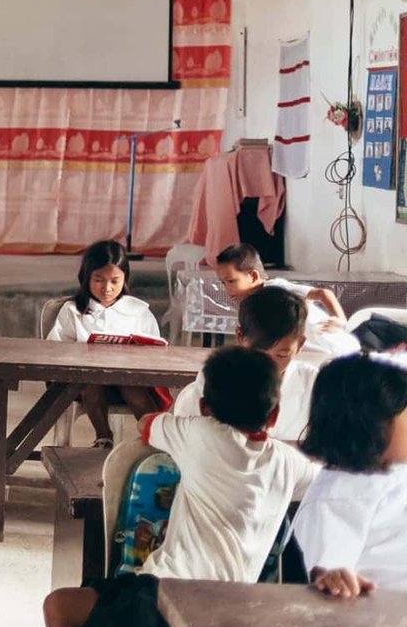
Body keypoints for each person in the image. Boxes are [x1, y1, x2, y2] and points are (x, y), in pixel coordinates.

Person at [41, 345, 316, 627]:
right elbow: (320, 480)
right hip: (231, 606)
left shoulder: (198, 435)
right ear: (275, 414)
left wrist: (185, 423)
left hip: (169, 595)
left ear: (204, 408)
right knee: (60, 605)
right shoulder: (287, 463)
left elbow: (146, 425)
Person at [292, 352, 407, 596]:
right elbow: (329, 576)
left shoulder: (395, 472)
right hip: (386, 619)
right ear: (372, 426)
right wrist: (331, 577)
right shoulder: (336, 498)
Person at [47, 240, 164, 447]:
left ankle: (157, 440)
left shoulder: (139, 312)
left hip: (129, 381)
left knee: (132, 388)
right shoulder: (73, 311)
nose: (107, 288)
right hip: (87, 385)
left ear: (125, 279)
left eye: (115, 281)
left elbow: (157, 350)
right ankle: (104, 437)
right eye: (98, 280)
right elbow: (55, 348)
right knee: (93, 383)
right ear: (86, 278)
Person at [171, 286, 317, 443]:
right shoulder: (209, 385)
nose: (266, 365)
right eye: (258, 353)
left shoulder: (314, 385)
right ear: (240, 336)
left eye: (282, 355)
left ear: (300, 344)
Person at [214, 243, 357, 355]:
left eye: (231, 281)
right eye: (223, 283)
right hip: (306, 353)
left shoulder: (277, 288)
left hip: (332, 348)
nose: (227, 289)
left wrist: (340, 320)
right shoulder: (250, 306)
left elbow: (323, 293)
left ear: (253, 276)